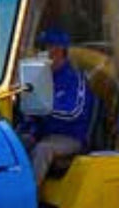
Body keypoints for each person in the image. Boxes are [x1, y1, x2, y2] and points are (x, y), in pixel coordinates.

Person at [20, 27, 95, 187]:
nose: (42, 52)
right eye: (41, 48)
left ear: (60, 50)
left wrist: (45, 108)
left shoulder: (75, 79)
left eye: (46, 47)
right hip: (44, 133)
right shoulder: (41, 77)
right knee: (17, 143)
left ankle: (29, 200)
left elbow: (73, 112)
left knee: (43, 150)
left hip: (70, 137)